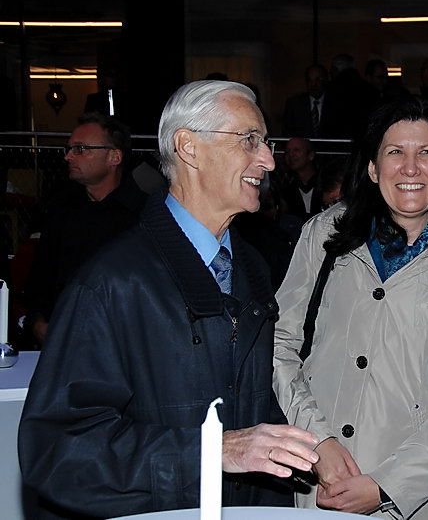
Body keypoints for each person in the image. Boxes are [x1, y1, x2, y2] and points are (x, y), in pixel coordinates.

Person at [19, 80, 320, 519]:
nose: (269, 160)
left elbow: (253, 414)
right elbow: (57, 452)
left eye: (266, 142)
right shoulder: (112, 283)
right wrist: (210, 451)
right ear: (188, 147)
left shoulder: (253, 268)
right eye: (249, 140)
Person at [273, 96, 428, 519]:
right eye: (395, 152)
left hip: (413, 501)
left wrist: (389, 484)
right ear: (373, 168)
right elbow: (280, 346)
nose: (410, 168)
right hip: (320, 483)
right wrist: (317, 441)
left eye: (425, 153)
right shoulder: (324, 236)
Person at [25, 112, 146, 345]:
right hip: (59, 338)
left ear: (114, 157)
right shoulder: (59, 210)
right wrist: (37, 323)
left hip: (119, 342)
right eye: (69, 149)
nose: (68, 156)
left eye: (80, 149)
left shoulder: (142, 216)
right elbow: (39, 279)